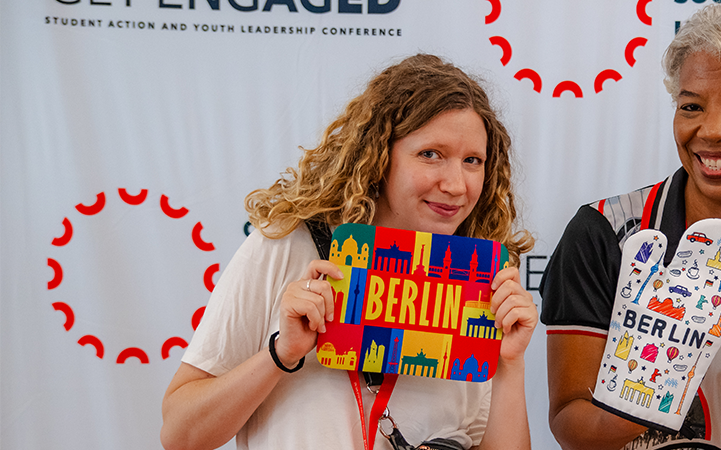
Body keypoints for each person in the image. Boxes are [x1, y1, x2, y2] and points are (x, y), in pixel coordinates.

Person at [160, 54, 536, 450]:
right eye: (430, 154)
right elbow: (180, 435)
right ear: (379, 155)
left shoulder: (479, 291)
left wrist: (509, 365)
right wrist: (281, 354)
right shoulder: (286, 246)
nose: (457, 185)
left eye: (473, 161)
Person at [540, 5, 721, 450]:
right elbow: (570, 425)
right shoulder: (604, 232)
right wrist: (659, 383)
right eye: (691, 106)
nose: (712, 130)